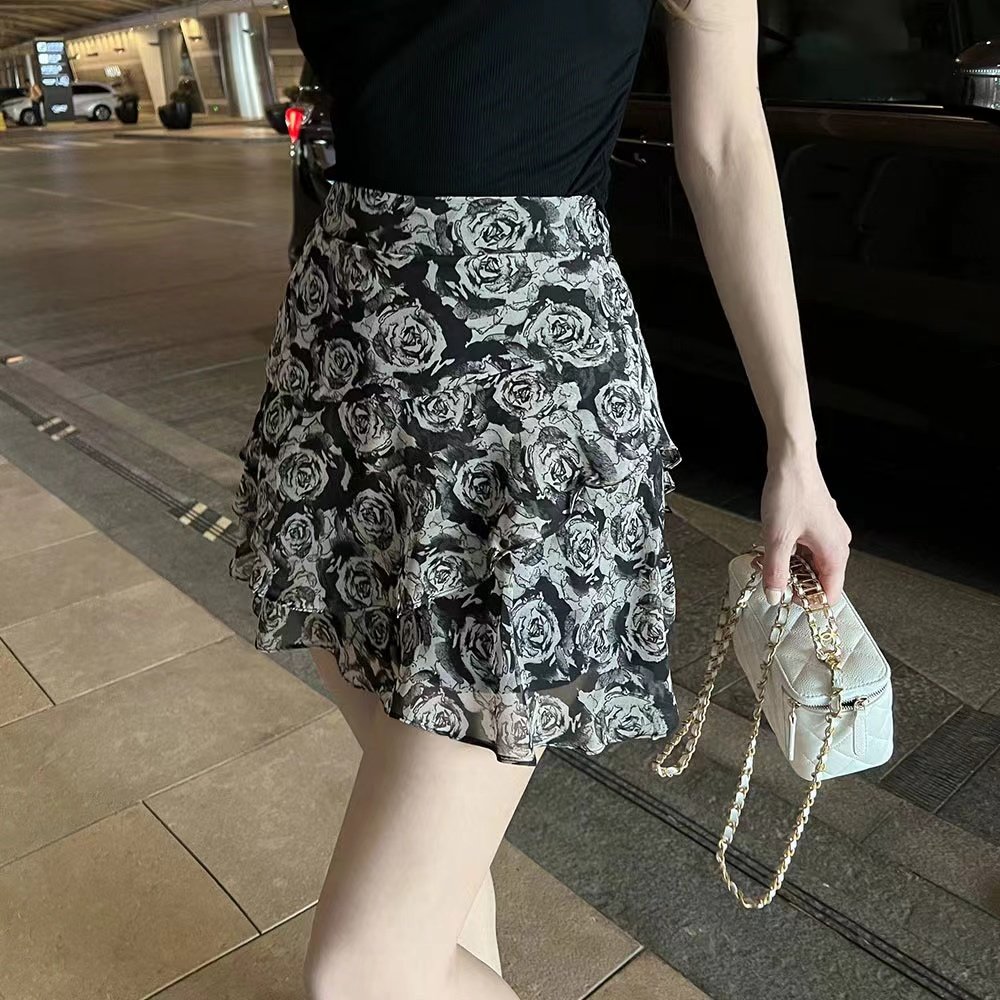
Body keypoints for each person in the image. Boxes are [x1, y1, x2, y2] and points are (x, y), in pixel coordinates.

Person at [228, 0, 853, 996]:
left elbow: (727, 141)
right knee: (438, 883)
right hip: (338, 383)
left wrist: (796, 446)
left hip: (525, 420)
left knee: (364, 973)